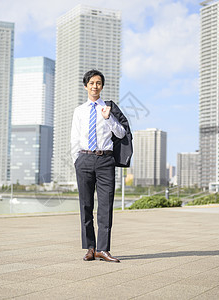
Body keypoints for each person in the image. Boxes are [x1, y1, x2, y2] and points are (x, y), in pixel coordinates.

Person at [71, 69, 126, 263]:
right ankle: (90, 248)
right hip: (84, 159)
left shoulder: (109, 108)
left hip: (105, 161)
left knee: (105, 206)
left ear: (102, 86)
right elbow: (75, 139)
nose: (95, 86)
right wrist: (76, 161)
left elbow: (120, 134)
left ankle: (103, 249)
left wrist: (108, 118)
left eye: (99, 83)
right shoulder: (79, 111)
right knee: (85, 206)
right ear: (86, 86)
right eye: (92, 83)